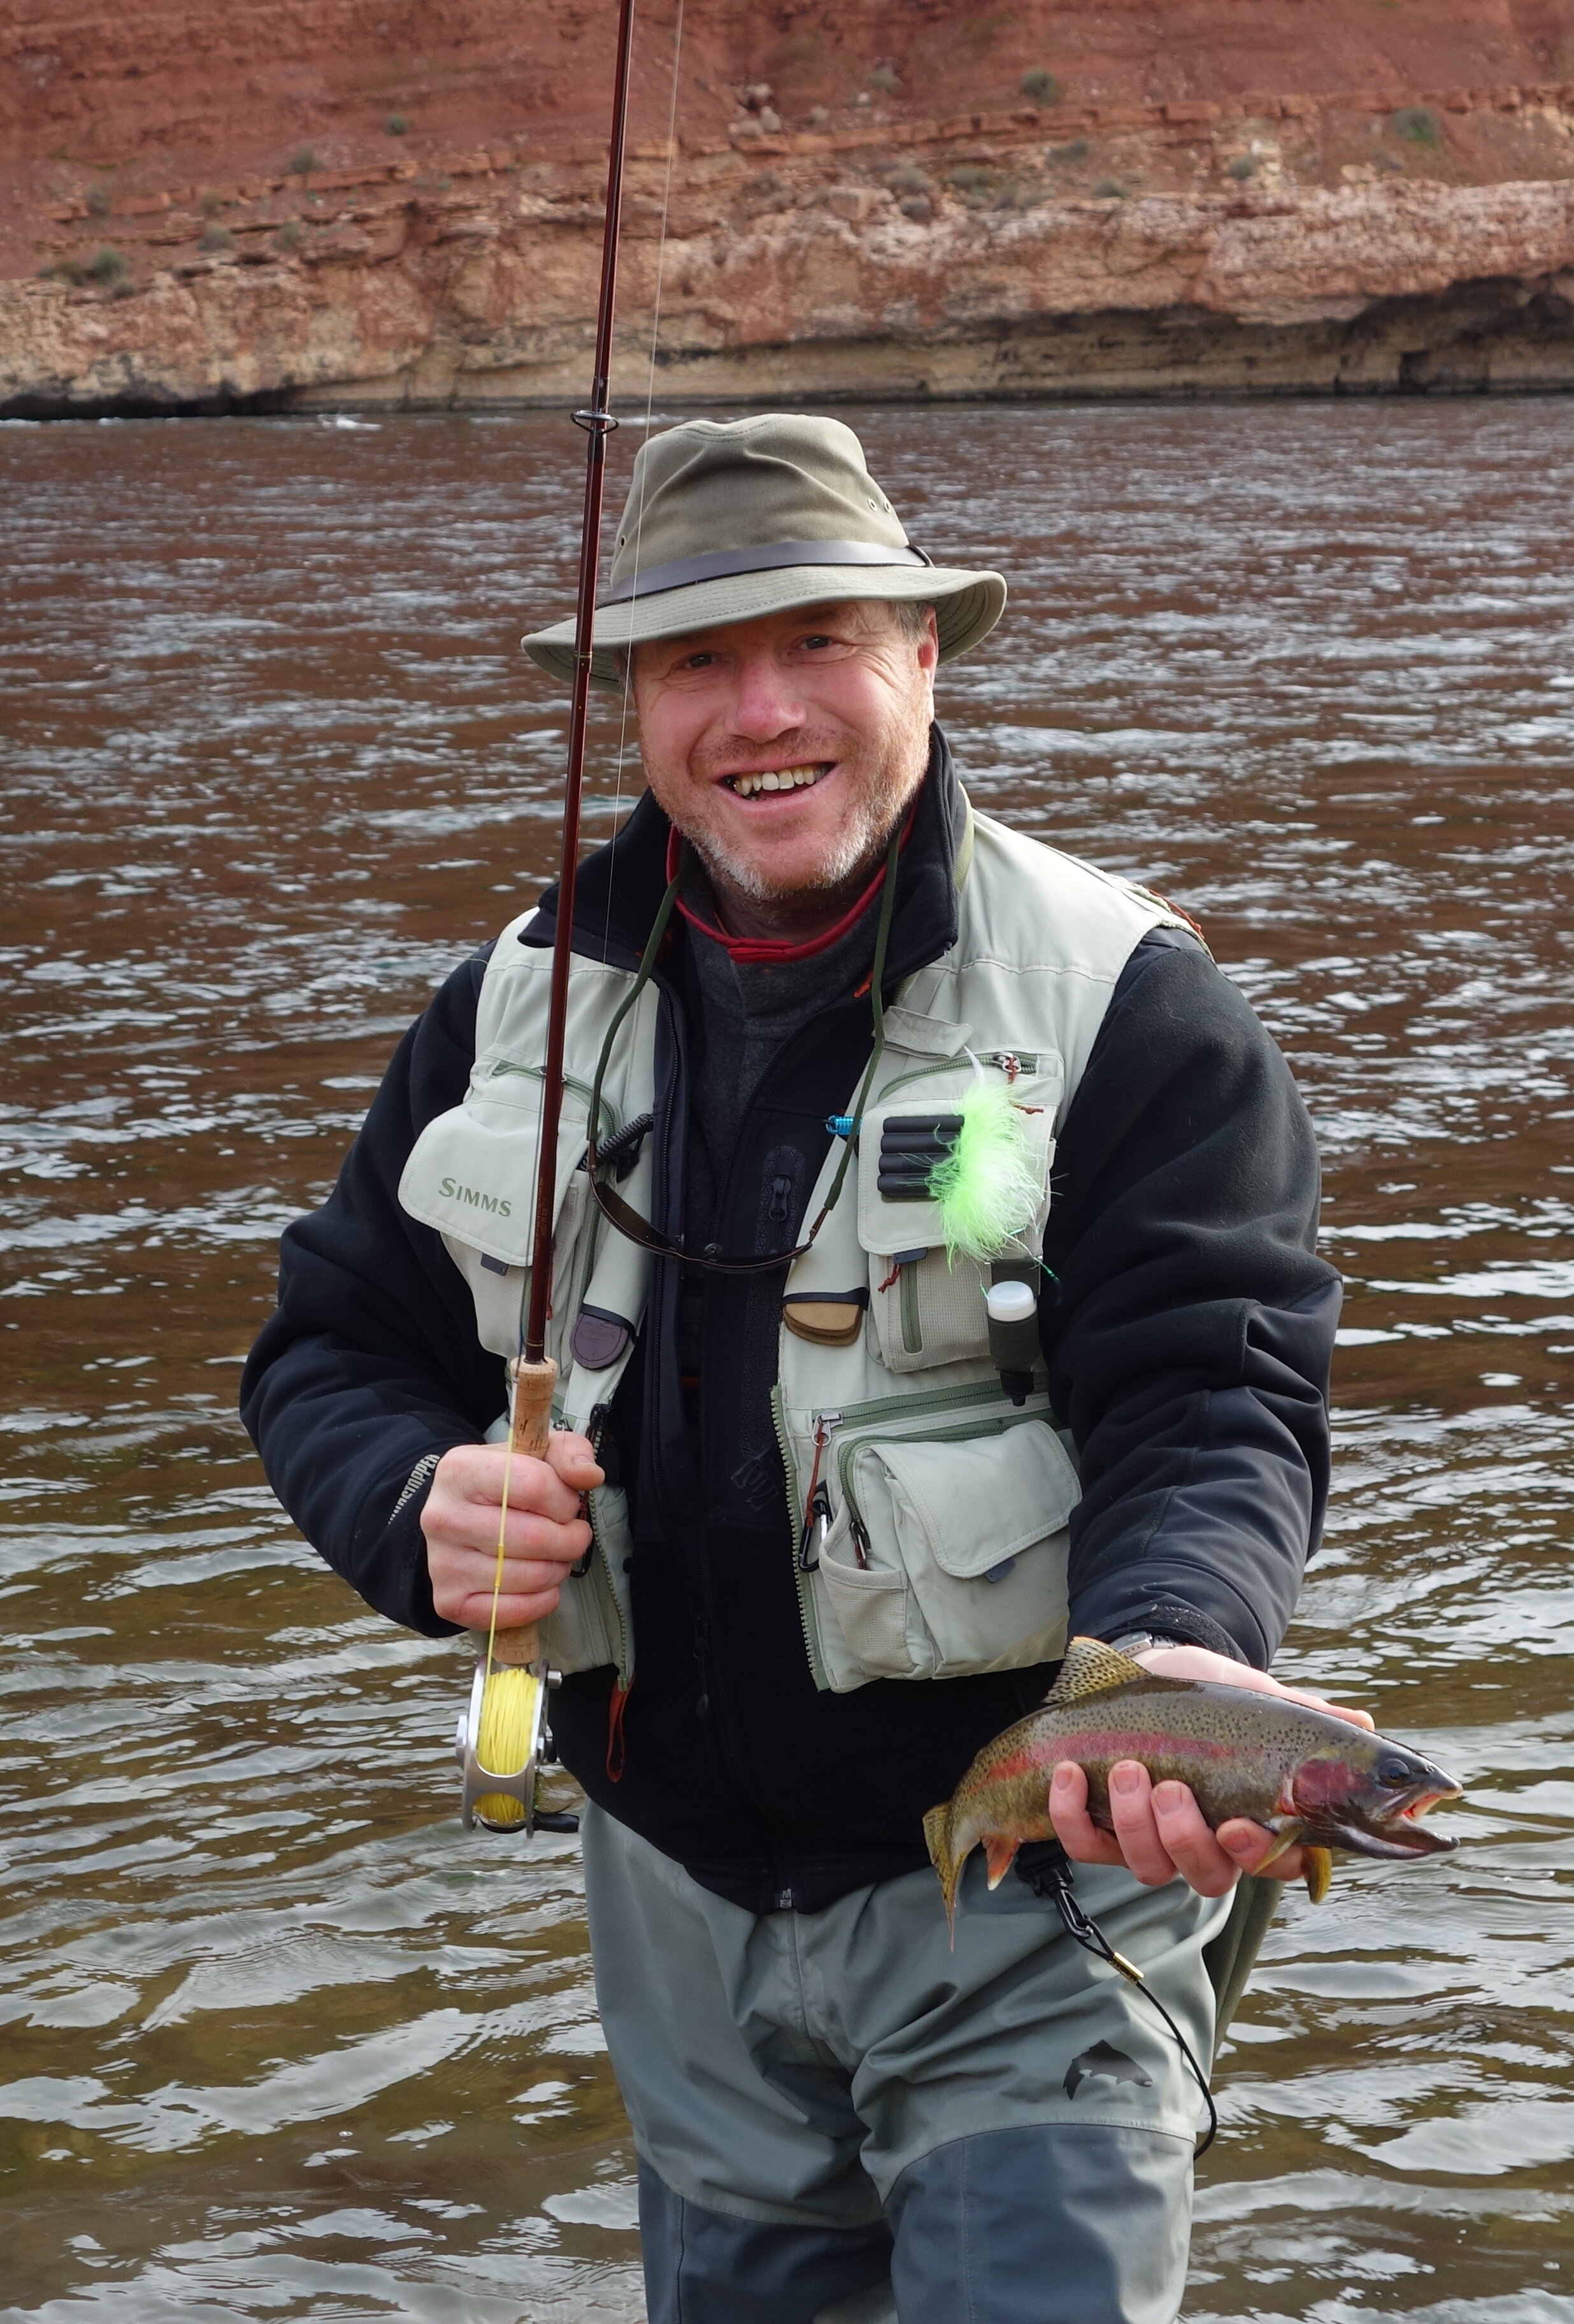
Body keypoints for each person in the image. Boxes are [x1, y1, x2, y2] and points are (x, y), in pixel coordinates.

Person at [244, 412, 1352, 2320]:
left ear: (924, 658)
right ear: (631, 708)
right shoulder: (511, 1009)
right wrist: (407, 1501)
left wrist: (1173, 1641)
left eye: (820, 641)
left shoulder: (1128, 1006)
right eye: (697, 660)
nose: (762, 711)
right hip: (675, 1915)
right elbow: (332, 1347)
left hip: (1040, 1903)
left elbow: (1213, 1397)